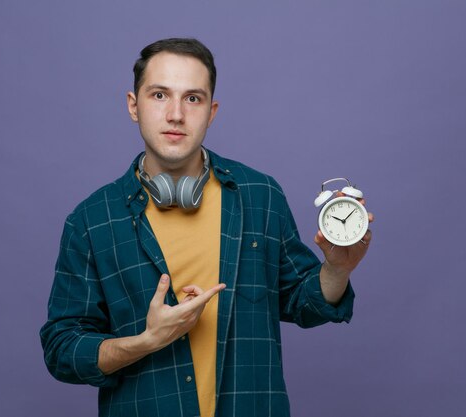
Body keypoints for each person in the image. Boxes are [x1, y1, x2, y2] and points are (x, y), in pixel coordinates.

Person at [40, 38, 373, 417]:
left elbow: (303, 301)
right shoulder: (91, 220)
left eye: (193, 98)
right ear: (134, 106)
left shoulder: (260, 195)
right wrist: (146, 341)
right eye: (160, 95)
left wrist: (337, 269)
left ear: (211, 111)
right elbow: (62, 349)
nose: (176, 114)